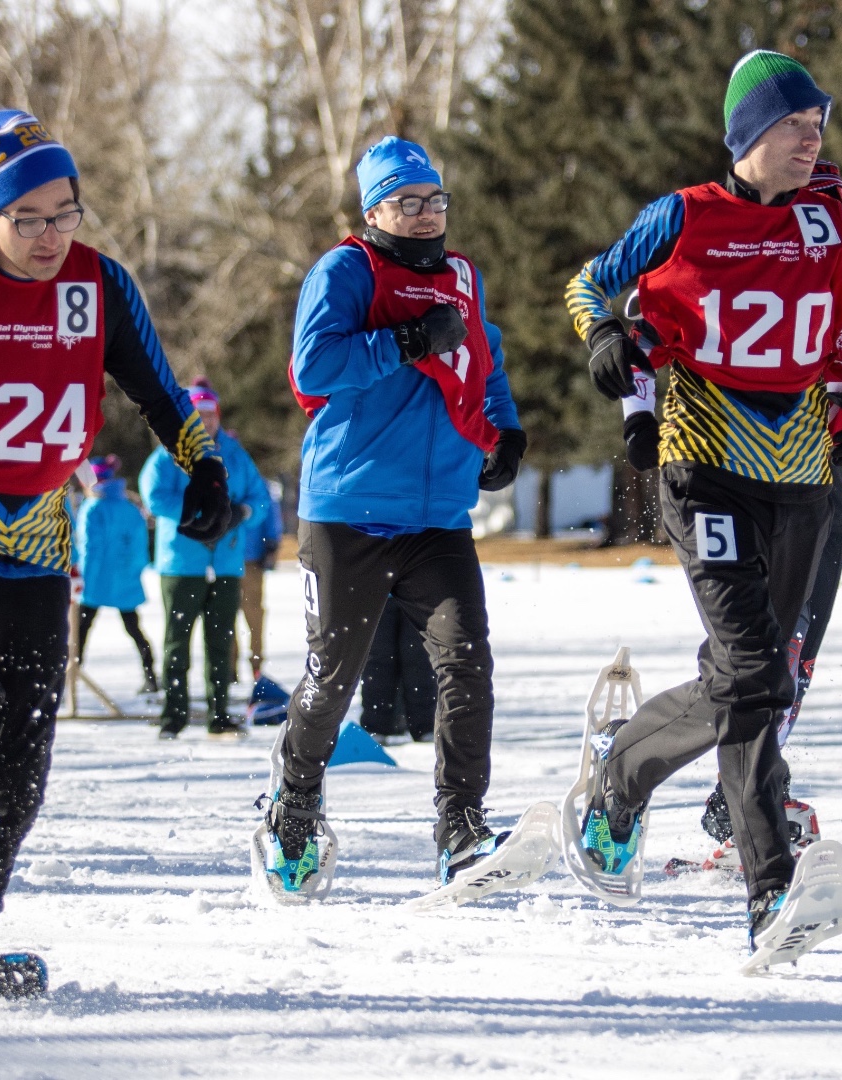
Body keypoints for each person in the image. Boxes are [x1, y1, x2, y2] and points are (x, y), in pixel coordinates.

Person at [0, 109, 230, 997]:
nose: (51, 236)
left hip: (33, 533)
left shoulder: (98, 284)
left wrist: (202, 467)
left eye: (66, 213)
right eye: (28, 218)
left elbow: (157, 389)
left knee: (25, 740)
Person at [565, 51, 842, 955]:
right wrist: (603, 333)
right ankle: (770, 892)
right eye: (797, 125)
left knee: (760, 675)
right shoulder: (682, 214)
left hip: (801, 480)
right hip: (703, 465)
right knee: (756, 671)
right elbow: (589, 282)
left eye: (819, 127)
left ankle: (618, 774)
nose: (813, 140)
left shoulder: (830, 223)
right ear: (751, 132)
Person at [259, 135, 526, 895]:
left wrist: (505, 431)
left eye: (433, 200)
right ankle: (295, 805)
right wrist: (406, 339)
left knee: (466, 665)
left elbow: (485, 359)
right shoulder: (346, 270)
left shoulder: (463, 278)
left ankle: (460, 829)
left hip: (438, 516)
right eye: (405, 203)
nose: (423, 215)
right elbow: (313, 368)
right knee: (330, 679)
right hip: (348, 510)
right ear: (373, 210)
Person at [139, 381, 269, 738]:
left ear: (218, 417)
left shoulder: (236, 454)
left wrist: (241, 513)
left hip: (226, 562)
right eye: (198, 415)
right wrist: (195, 513)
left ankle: (219, 716)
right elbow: (154, 495)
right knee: (177, 642)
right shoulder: (170, 453)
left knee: (220, 642)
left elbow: (260, 498)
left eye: (210, 414)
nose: (205, 421)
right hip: (182, 564)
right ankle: (173, 717)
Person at [74, 455, 157, 693]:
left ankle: (71, 677)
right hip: (125, 578)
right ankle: (151, 676)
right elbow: (140, 547)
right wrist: (133, 572)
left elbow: (90, 547)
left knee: (81, 628)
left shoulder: (92, 508)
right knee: (134, 628)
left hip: (96, 579)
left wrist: (84, 578)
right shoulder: (129, 508)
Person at [359, 595, 436, 743]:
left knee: (419, 658)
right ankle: (376, 726)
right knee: (378, 660)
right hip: (377, 591)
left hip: (417, 592)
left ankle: (425, 725)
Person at [237, 477, 284, 681]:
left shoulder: (256, 481)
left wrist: (271, 543)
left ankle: (255, 665)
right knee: (226, 614)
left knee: (253, 612)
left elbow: (270, 512)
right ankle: (230, 667)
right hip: (224, 558)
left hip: (251, 558)